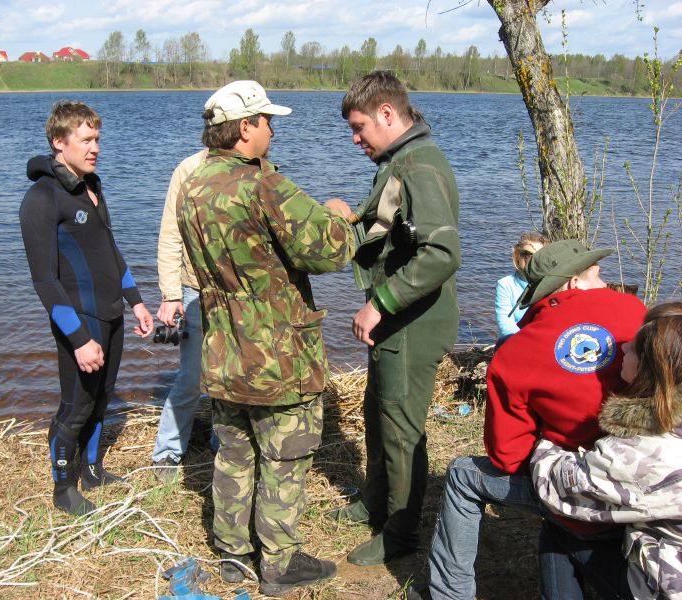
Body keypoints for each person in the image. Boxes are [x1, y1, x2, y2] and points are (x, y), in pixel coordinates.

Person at [176, 80, 355, 597]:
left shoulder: (194, 184)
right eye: (267, 121)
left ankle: (233, 551)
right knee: (285, 453)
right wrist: (341, 218)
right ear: (246, 127)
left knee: (234, 447)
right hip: (276, 350)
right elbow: (327, 253)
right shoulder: (262, 184)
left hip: (224, 346)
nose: (273, 130)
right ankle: (278, 562)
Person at [408, 240, 646, 600]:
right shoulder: (635, 312)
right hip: (650, 479)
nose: (603, 284)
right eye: (596, 277)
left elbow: (507, 456)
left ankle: (449, 594)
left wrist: (549, 446)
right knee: (560, 522)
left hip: (581, 490)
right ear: (571, 282)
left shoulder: (515, 353)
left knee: (461, 475)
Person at [331, 70, 461, 567]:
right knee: (377, 414)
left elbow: (442, 253)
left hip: (413, 320)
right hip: (398, 321)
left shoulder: (419, 167)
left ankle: (401, 533)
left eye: (360, 126)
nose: (355, 137)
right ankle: (376, 502)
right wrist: (355, 218)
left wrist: (379, 301)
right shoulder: (400, 161)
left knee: (401, 428)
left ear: (388, 113)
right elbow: (396, 227)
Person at [19, 100, 153, 516]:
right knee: (76, 406)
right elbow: (44, 280)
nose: (95, 147)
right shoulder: (41, 199)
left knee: (102, 398)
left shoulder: (93, 186)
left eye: (98, 139)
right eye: (86, 139)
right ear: (60, 143)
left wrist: (136, 301)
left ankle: (92, 470)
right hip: (80, 319)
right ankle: (63, 490)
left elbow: (108, 250)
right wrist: (78, 339)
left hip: (111, 313)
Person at [531, 301, 682, 600]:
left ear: (649, 371)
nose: (623, 347)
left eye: (634, 349)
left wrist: (548, 439)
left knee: (562, 529)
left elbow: (557, 486)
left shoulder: (647, 452)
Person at [151, 148, 209, 482]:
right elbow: (171, 235)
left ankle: (223, 441)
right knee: (191, 377)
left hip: (240, 294)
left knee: (230, 375)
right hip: (194, 290)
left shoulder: (259, 166)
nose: (271, 132)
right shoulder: (189, 169)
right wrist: (171, 294)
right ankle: (168, 451)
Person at [495, 231, 547, 345]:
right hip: (516, 342)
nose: (530, 259)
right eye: (526, 254)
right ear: (517, 255)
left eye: (538, 255)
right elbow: (505, 326)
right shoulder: (505, 284)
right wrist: (527, 343)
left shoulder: (551, 283)